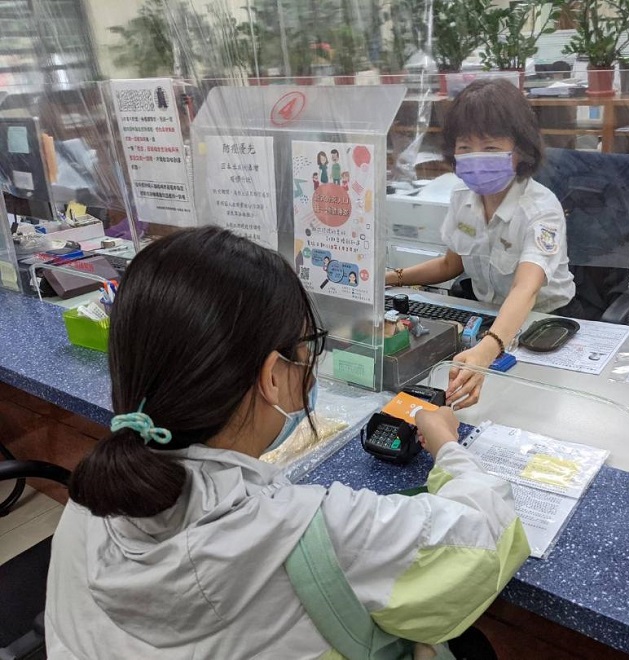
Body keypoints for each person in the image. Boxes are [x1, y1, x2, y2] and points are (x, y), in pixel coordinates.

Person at [46, 227, 529, 659]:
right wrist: (448, 447)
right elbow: (489, 535)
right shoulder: (316, 533)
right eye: (308, 347)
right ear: (273, 377)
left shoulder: (91, 498)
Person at [385, 79, 578, 408]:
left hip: (541, 326)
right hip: (484, 321)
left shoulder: (542, 209)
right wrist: (388, 278)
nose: (476, 157)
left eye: (490, 148)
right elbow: (450, 265)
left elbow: (525, 290)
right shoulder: (462, 197)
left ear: (520, 151)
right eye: (465, 146)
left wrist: (489, 349)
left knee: (525, 408)